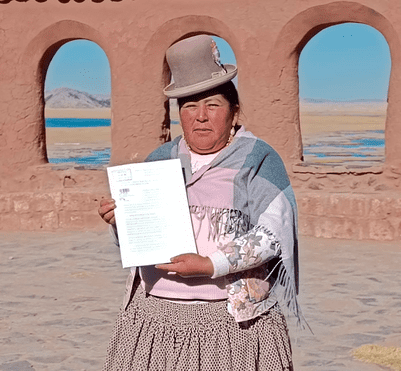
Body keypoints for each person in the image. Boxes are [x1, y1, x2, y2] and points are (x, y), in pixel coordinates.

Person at [98, 35, 305, 371]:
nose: (201, 117)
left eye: (213, 105)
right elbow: (142, 238)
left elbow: (273, 234)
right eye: (190, 107)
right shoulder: (160, 160)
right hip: (154, 318)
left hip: (232, 323)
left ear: (234, 111)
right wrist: (120, 223)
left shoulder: (258, 159)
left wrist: (209, 264)